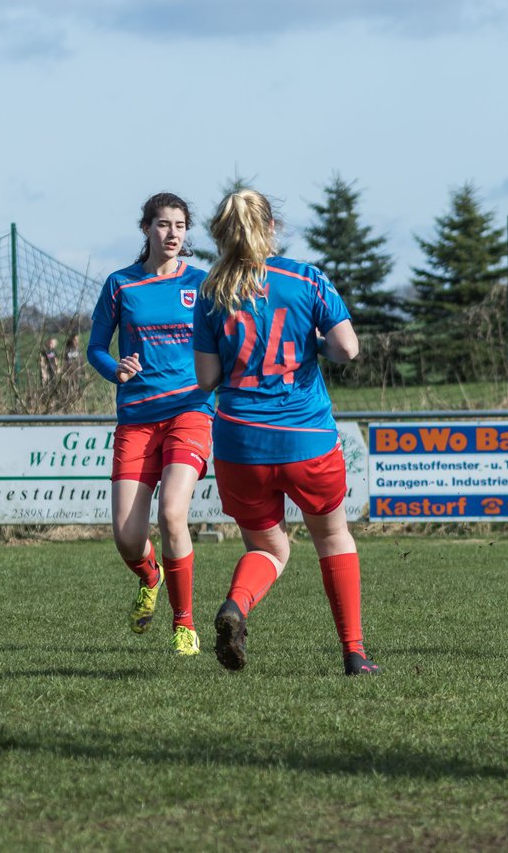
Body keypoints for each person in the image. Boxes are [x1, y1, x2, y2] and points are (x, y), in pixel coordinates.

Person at [192, 188, 379, 676]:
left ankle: (237, 606)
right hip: (306, 438)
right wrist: (312, 342)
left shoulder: (212, 292)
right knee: (334, 539)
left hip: (239, 442)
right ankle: (354, 653)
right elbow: (347, 349)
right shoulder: (306, 278)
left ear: (222, 232)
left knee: (267, 548)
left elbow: (207, 380)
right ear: (271, 228)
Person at [88, 192, 213, 657]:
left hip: (190, 411)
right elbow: (96, 347)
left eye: (180, 225)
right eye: (163, 224)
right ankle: (150, 575)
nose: (173, 233)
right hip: (136, 420)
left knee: (173, 515)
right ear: (146, 229)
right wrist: (114, 368)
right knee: (127, 538)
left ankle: (184, 625)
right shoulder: (121, 284)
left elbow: (230, 335)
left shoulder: (203, 284)